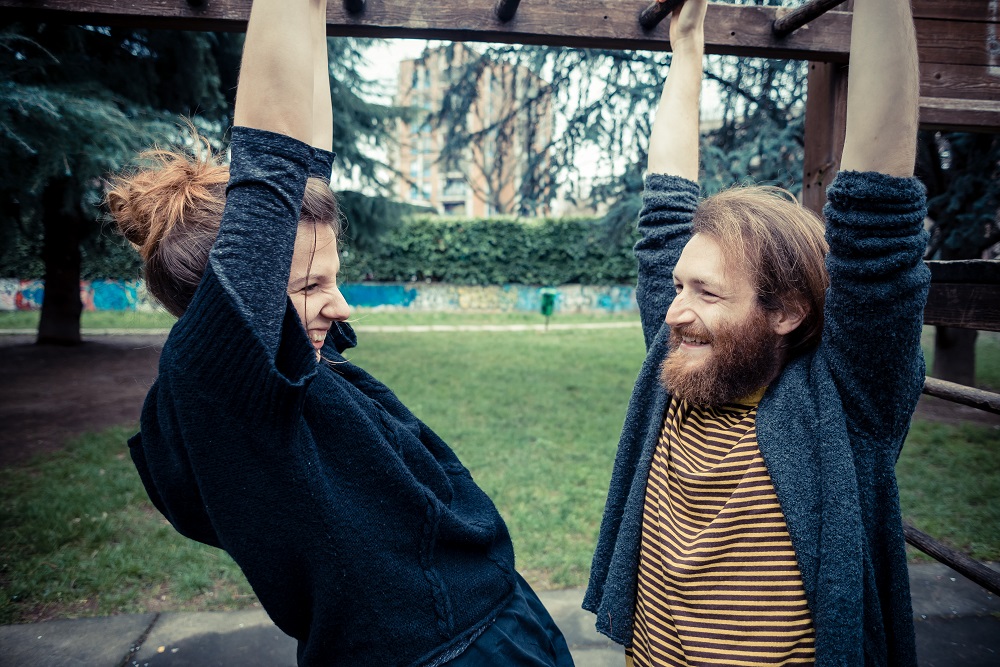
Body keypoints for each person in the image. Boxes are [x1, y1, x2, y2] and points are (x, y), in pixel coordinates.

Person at [107, 1, 574, 665]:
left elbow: (302, 163)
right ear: (232, 312)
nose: (341, 305)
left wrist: (312, 10)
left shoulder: (283, 370)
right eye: (309, 288)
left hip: (494, 620)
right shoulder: (219, 388)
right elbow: (270, 163)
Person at [583, 0, 928, 665]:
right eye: (680, 285)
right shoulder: (686, 363)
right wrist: (688, 45)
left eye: (706, 292)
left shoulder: (845, 404)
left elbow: (878, 212)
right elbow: (664, 216)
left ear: (787, 311)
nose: (674, 311)